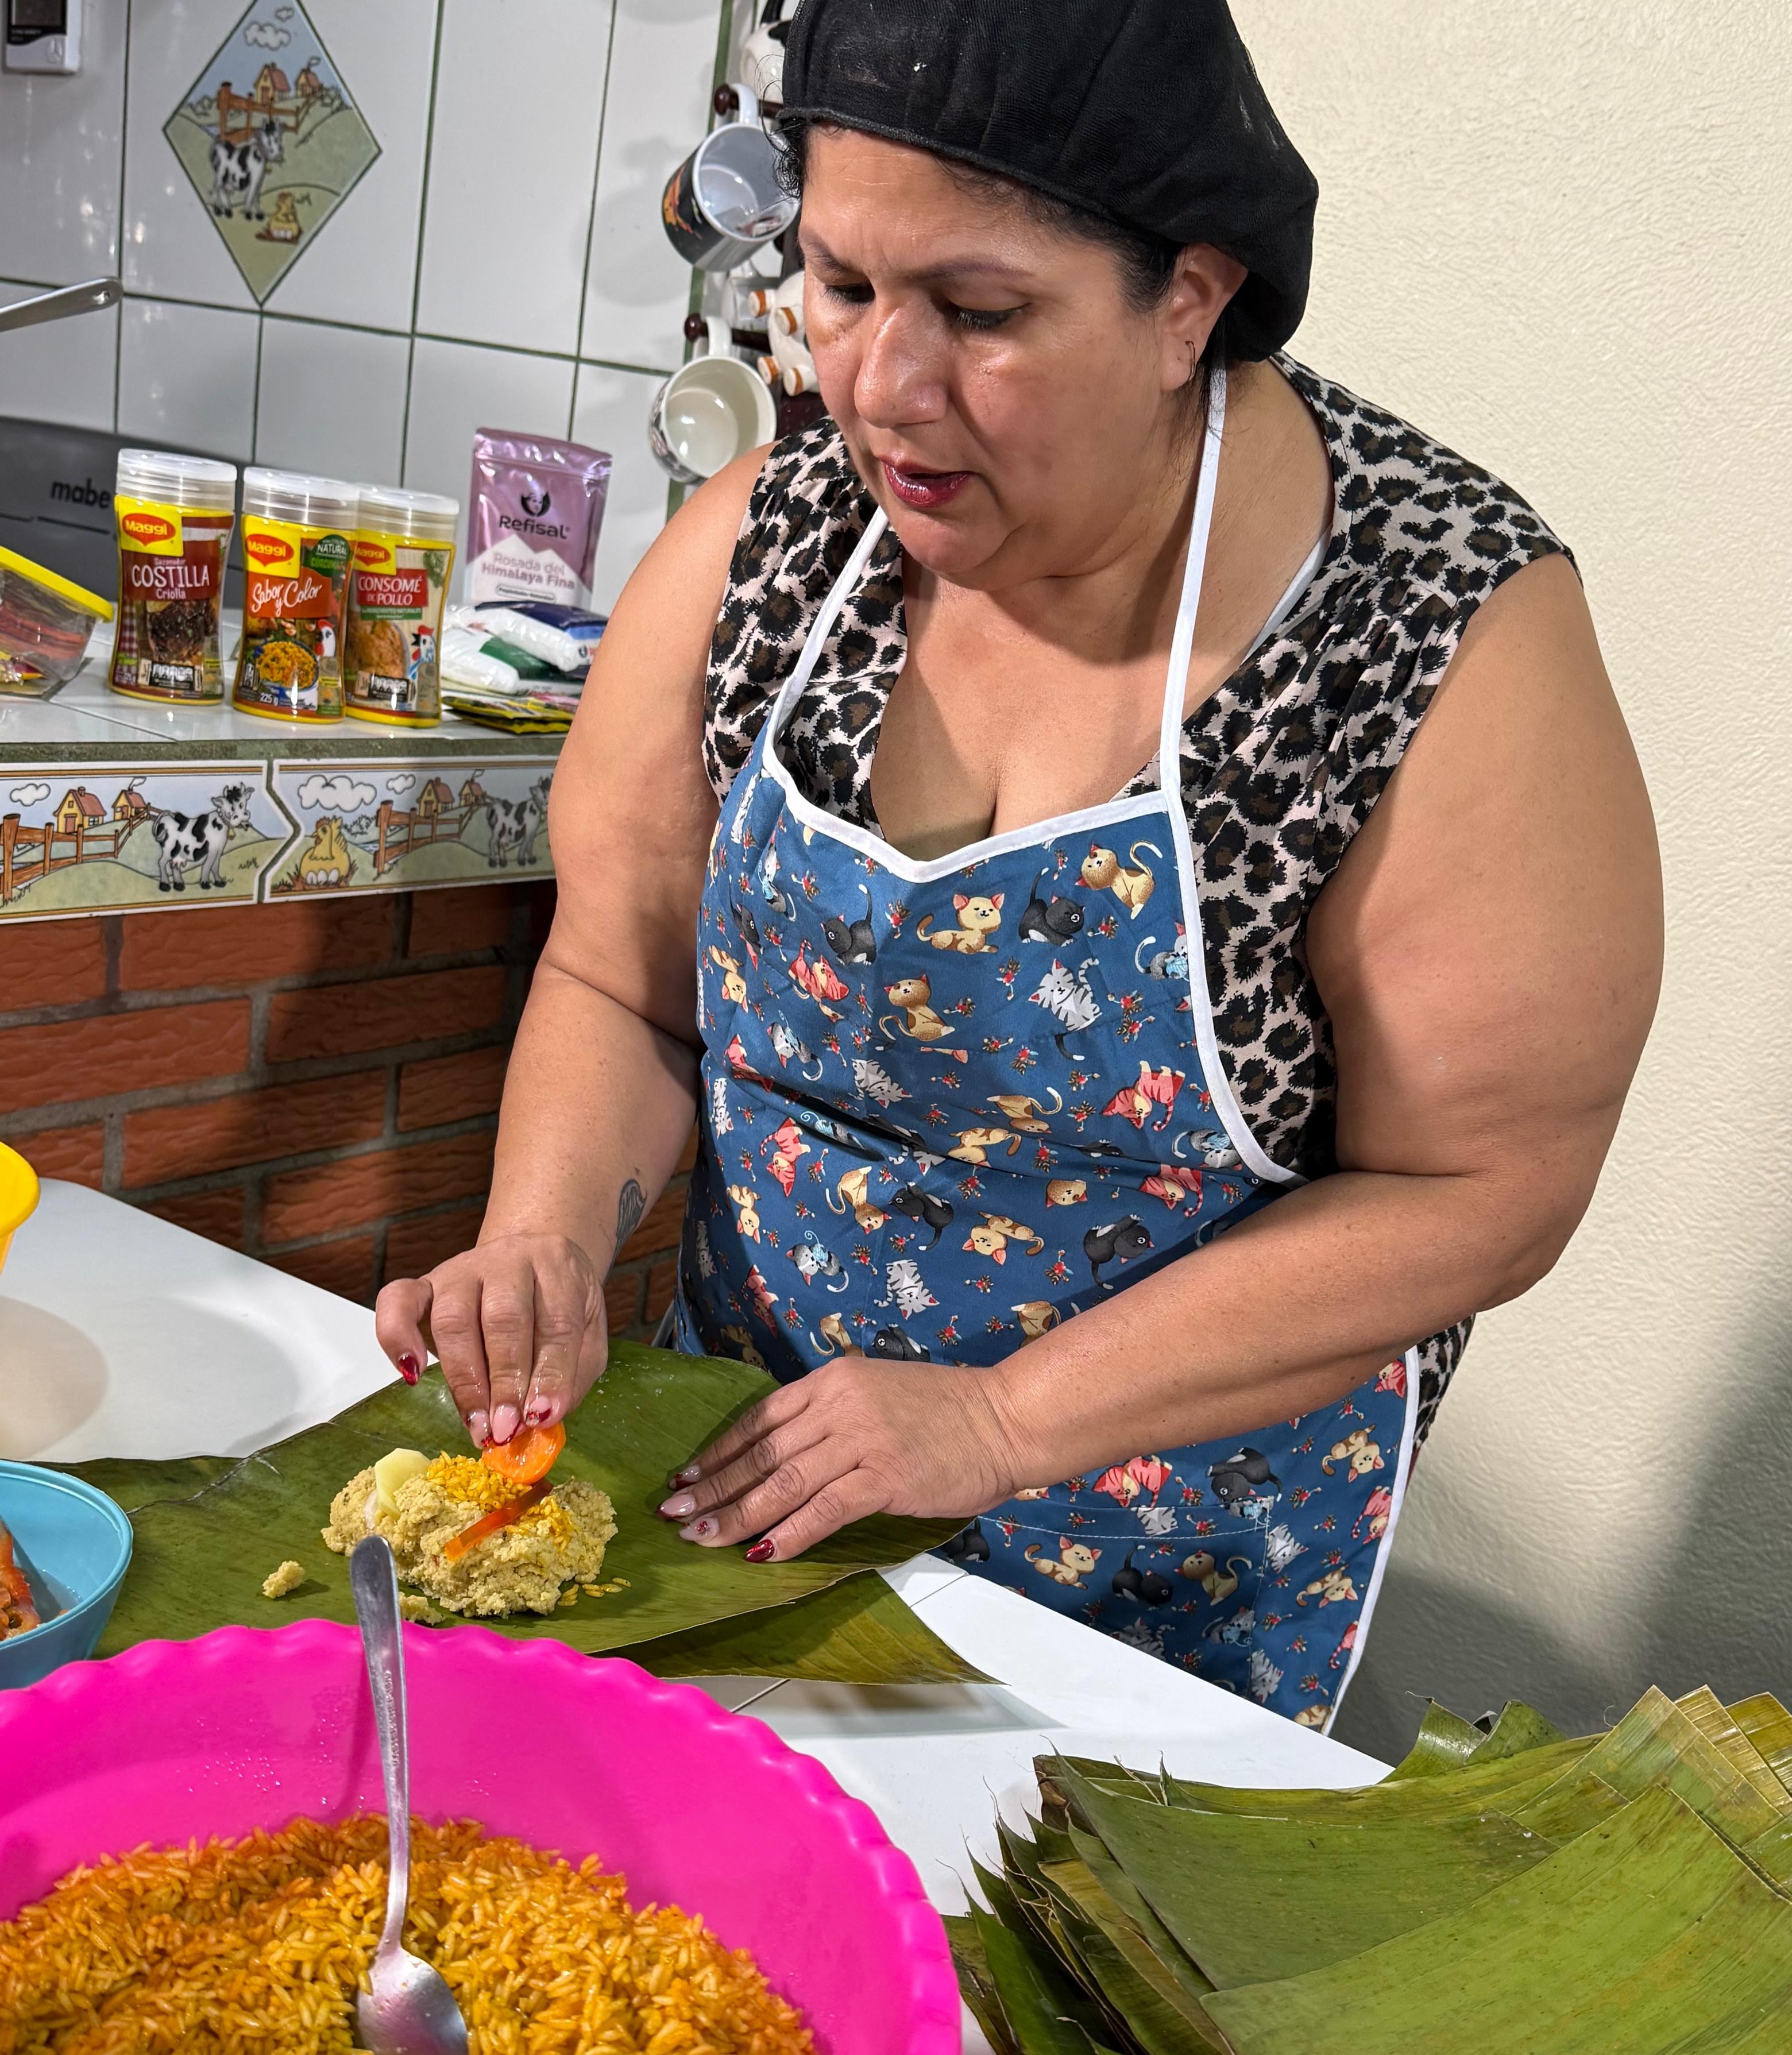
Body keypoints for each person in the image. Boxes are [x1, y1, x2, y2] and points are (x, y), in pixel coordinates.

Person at [376, 0, 1660, 1728]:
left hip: (1156, 1602)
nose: (881, 388)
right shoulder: (778, 536)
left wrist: (995, 1422)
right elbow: (625, 977)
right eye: (839, 288)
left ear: (1186, 302)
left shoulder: (1424, 634)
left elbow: (1484, 1194)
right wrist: (538, 1239)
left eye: (981, 315)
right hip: (733, 1511)